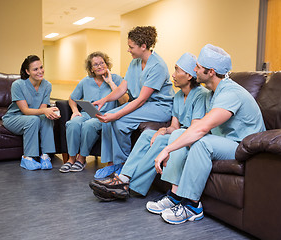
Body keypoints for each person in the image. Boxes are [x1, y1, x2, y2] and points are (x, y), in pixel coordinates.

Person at [146, 44, 266, 224]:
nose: (194, 69)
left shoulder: (231, 93)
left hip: (244, 147)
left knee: (202, 142)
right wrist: (177, 138)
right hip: (225, 141)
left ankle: (192, 206)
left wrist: (168, 149)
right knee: (181, 132)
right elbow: (198, 128)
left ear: (210, 72)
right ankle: (175, 196)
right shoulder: (212, 93)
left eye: (198, 67)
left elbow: (202, 128)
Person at [89, 53, 209, 201]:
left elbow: (194, 129)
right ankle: (123, 178)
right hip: (178, 133)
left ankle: (132, 186)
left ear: (189, 75)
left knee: (159, 141)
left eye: (177, 70)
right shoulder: (178, 96)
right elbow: (174, 126)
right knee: (148, 135)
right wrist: (162, 130)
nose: (173, 74)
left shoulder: (201, 95)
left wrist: (166, 135)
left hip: (190, 138)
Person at [92, 26, 175, 179]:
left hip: (160, 106)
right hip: (144, 103)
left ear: (143, 46)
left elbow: (141, 99)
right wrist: (104, 100)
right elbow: (123, 87)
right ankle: (113, 163)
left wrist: (116, 115)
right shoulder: (135, 62)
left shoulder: (157, 66)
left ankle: (124, 164)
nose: (128, 50)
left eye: (131, 47)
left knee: (118, 121)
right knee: (108, 116)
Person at [59, 51, 128, 173]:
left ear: (107, 64)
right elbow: (72, 98)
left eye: (102, 63)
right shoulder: (85, 81)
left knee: (89, 125)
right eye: (96, 65)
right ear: (91, 69)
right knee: (72, 124)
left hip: (106, 116)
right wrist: (75, 111)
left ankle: (81, 159)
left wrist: (110, 82)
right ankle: (71, 159)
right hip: (87, 113)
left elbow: (124, 101)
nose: (100, 66)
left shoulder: (117, 79)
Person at [2, 55, 60, 170]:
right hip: (14, 118)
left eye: (41, 67)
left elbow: (43, 109)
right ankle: (27, 158)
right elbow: (25, 110)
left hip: (35, 116)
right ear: (27, 71)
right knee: (34, 119)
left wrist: (51, 113)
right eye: (35, 69)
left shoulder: (47, 85)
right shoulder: (17, 85)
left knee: (46, 117)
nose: (40, 71)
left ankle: (45, 156)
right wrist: (44, 111)